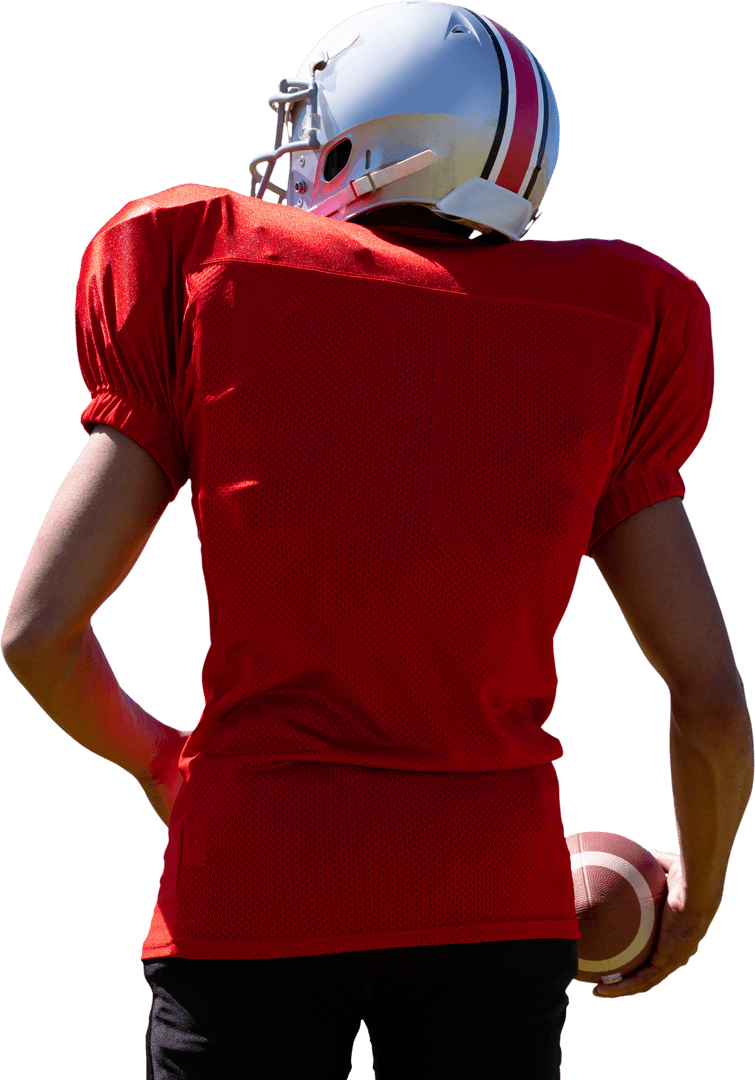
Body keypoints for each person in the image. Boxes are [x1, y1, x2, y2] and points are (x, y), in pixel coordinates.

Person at [1, 3, 752, 1078]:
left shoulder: (208, 276)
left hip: (250, 891)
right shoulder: (620, 327)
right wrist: (699, 894)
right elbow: (712, 702)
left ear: (375, 131)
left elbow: (37, 635)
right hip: (489, 909)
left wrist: (158, 758)